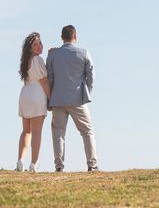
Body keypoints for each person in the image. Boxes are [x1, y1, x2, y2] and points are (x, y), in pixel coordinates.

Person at [46, 25, 98, 172]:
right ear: (75, 36)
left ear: (62, 37)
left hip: (57, 99)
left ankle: (59, 167)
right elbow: (91, 76)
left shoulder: (53, 54)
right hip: (78, 99)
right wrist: (86, 93)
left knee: (58, 133)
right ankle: (92, 165)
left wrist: (49, 99)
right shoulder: (84, 53)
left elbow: (49, 78)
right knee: (87, 131)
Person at [17, 32, 51, 172]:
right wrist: (51, 98)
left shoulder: (25, 61)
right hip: (37, 95)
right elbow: (44, 81)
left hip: (25, 94)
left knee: (26, 130)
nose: (39, 47)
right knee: (36, 132)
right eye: (35, 45)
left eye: (40, 43)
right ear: (30, 48)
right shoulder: (38, 60)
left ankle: (20, 161)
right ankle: (33, 164)